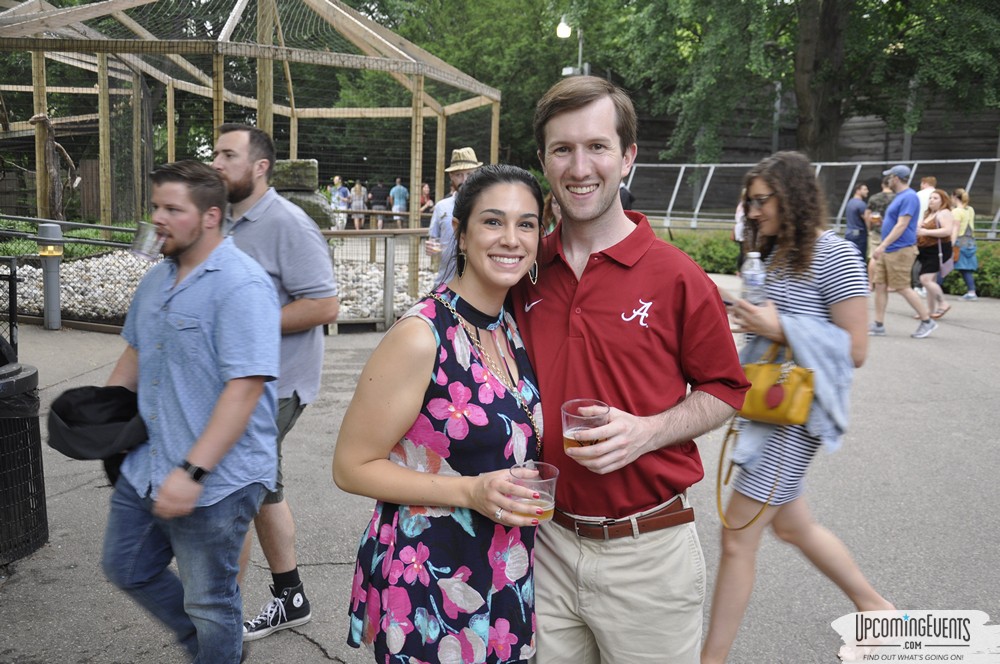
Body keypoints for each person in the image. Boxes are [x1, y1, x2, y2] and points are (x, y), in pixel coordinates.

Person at [514, 76, 749, 664]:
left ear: (627, 157)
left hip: (648, 552)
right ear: (543, 160)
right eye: (562, 149)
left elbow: (726, 388)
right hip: (544, 544)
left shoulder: (677, 276)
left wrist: (648, 431)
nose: (580, 167)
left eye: (597, 146)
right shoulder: (523, 274)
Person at [333, 164, 546, 662]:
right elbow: (350, 466)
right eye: (493, 221)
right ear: (461, 235)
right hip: (430, 578)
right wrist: (469, 491)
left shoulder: (507, 327)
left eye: (527, 224)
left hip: (501, 572)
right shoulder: (421, 334)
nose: (511, 238)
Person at [701, 151, 894, 664]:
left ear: (792, 196)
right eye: (750, 202)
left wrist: (780, 327)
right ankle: (876, 608)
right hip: (768, 409)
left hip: (792, 419)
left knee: (737, 538)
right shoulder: (777, 255)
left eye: (761, 200)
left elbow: (856, 349)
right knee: (792, 527)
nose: (753, 211)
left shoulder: (835, 254)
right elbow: (769, 320)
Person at [101, 159, 281, 664]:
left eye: (172, 209)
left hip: (217, 481)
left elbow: (244, 390)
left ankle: (216, 647)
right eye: (156, 206)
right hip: (147, 466)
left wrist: (192, 471)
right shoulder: (157, 280)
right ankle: (211, 646)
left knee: (210, 601)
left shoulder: (243, 286)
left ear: (210, 217)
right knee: (125, 566)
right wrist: (100, 417)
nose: (158, 218)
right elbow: (136, 353)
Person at [211, 124, 340, 642]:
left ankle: (216, 622)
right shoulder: (222, 218)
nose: (216, 163)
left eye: (228, 155)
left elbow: (324, 305)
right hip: (236, 381)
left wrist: (246, 322)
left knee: (234, 490)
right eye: (215, 153)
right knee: (264, 486)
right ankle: (290, 596)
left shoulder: (288, 223)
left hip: (276, 385)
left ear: (260, 166)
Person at [869, 165, 936, 338]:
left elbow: (902, 224)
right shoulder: (900, 197)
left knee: (902, 287)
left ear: (896, 178)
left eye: (890, 177)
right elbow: (896, 222)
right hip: (890, 248)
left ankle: (927, 321)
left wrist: (882, 245)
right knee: (880, 285)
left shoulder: (909, 197)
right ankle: (878, 324)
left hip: (900, 249)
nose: (888, 180)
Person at [428, 147, 483, 285]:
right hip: (446, 282)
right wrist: (431, 248)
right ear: (451, 176)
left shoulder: (489, 206)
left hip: (481, 285)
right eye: (459, 174)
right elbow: (433, 240)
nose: (465, 180)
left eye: (469, 174)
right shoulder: (441, 207)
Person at [914, 188, 955, 319]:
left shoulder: (944, 213)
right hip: (926, 250)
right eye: (930, 198)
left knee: (925, 279)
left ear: (943, 201)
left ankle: (943, 303)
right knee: (930, 281)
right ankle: (930, 310)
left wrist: (926, 232)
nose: (931, 200)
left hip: (937, 250)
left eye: (935, 198)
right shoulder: (929, 214)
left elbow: (947, 231)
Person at [865, 177, 894, 288]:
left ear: (882, 185)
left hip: (876, 230)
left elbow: (867, 214)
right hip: (891, 231)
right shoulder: (896, 198)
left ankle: (870, 283)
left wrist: (869, 228)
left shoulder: (874, 198)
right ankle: (889, 284)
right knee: (890, 257)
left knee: (874, 256)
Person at [951, 188, 978, 300]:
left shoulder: (956, 211)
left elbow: (956, 228)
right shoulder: (970, 209)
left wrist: (951, 243)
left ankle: (932, 288)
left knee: (945, 266)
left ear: (954, 197)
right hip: (970, 242)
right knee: (966, 269)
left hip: (959, 242)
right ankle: (971, 292)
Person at [844, 181, 869, 267]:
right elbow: (866, 219)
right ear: (858, 191)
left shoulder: (850, 202)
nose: (867, 191)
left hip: (849, 233)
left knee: (849, 257)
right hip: (859, 235)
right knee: (860, 259)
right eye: (865, 189)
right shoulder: (861, 204)